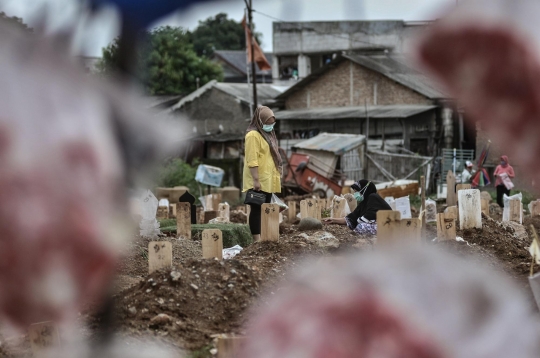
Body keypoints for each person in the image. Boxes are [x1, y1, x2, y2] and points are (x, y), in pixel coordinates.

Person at [243, 106, 282, 242]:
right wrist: (256, 180)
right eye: (267, 123)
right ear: (260, 121)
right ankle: (256, 240)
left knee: (266, 208)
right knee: (256, 209)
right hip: (258, 179)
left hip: (268, 178)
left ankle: (265, 237)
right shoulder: (253, 135)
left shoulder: (267, 134)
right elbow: (252, 159)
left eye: (272, 124)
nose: (270, 126)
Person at [323, 180, 391, 235]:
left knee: (360, 227)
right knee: (359, 226)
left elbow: (371, 215)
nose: (355, 194)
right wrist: (333, 220)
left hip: (387, 225)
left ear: (364, 190)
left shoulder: (373, 197)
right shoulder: (363, 203)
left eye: (357, 191)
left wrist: (359, 221)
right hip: (378, 226)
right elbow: (351, 218)